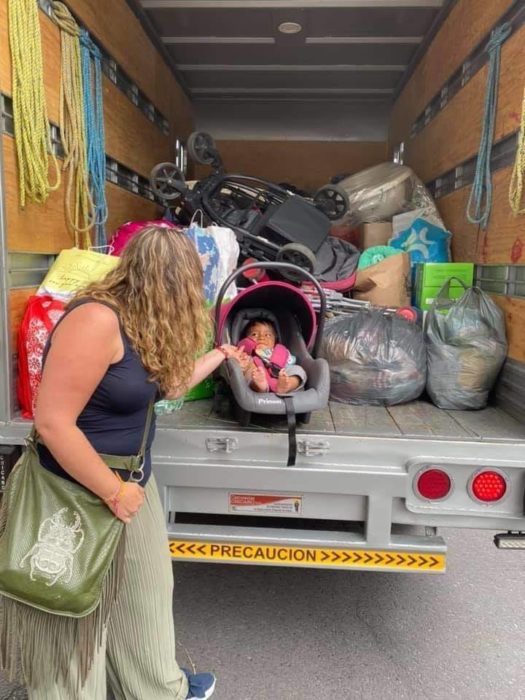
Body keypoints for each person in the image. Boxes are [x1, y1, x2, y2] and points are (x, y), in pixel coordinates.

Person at [29, 226, 237, 699]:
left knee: (145, 597)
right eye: (190, 284)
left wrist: (222, 355)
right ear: (167, 280)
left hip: (129, 481)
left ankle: (157, 690)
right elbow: (54, 423)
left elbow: (171, 386)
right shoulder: (97, 320)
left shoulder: (143, 320)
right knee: (75, 612)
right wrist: (113, 490)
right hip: (78, 486)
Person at [237, 318, 307, 394]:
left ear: (275, 339)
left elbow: (290, 362)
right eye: (254, 334)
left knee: (298, 370)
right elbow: (241, 351)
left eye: (267, 335)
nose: (261, 337)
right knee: (251, 370)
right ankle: (259, 386)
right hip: (260, 375)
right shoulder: (247, 353)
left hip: (281, 374)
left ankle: (287, 385)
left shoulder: (279, 351)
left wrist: (285, 372)